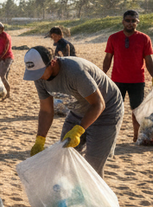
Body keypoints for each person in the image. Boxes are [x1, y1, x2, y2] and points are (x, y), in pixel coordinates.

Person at [24, 47, 123, 177]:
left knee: (92, 166)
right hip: (77, 111)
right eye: (34, 73)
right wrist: (40, 139)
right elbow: (46, 110)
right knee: (64, 159)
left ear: (52, 63)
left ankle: (92, 197)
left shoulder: (75, 72)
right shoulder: (39, 77)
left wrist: (79, 130)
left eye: (40, 72)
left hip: (106, 112)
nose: (38, 77)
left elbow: (98, 104)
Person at [103, 10, 153, 142]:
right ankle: (111, 138)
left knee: (137, 111)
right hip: (117, 80)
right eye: (127, 20)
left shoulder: (144, 38)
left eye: (133, 21)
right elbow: (108, 58)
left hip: (137, 81)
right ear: (123, 21)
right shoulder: (113, 38)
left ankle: (136, 137)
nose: (130, 23)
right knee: (115, 110)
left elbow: (149, 59)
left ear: (137, 22)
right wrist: (103, 74)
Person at [0, 21, 15, 101]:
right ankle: (3, 92)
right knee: (2, 76)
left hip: (6, 58)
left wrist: (0, 58)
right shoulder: (0, 36)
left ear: (2, 28)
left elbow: (6, 48)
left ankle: (8, 94)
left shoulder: (5, 36)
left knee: (2, 76)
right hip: (1, 59)